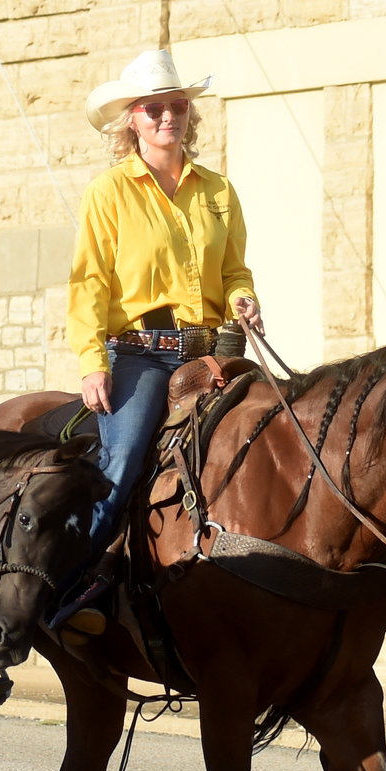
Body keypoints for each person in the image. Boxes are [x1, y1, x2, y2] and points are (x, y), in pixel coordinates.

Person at [55, 49, 263, 633]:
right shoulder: (110, 193)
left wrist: (244, 297)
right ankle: (84, 582)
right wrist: (93, 361)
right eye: (154, 110)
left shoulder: (218, 190)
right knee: (120, 462)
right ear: (132, 121)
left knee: (280, 431)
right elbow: (89, 281)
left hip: (213, 350)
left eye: (177, 107)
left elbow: (235, 270)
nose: (168, 117)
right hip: (141, 354)